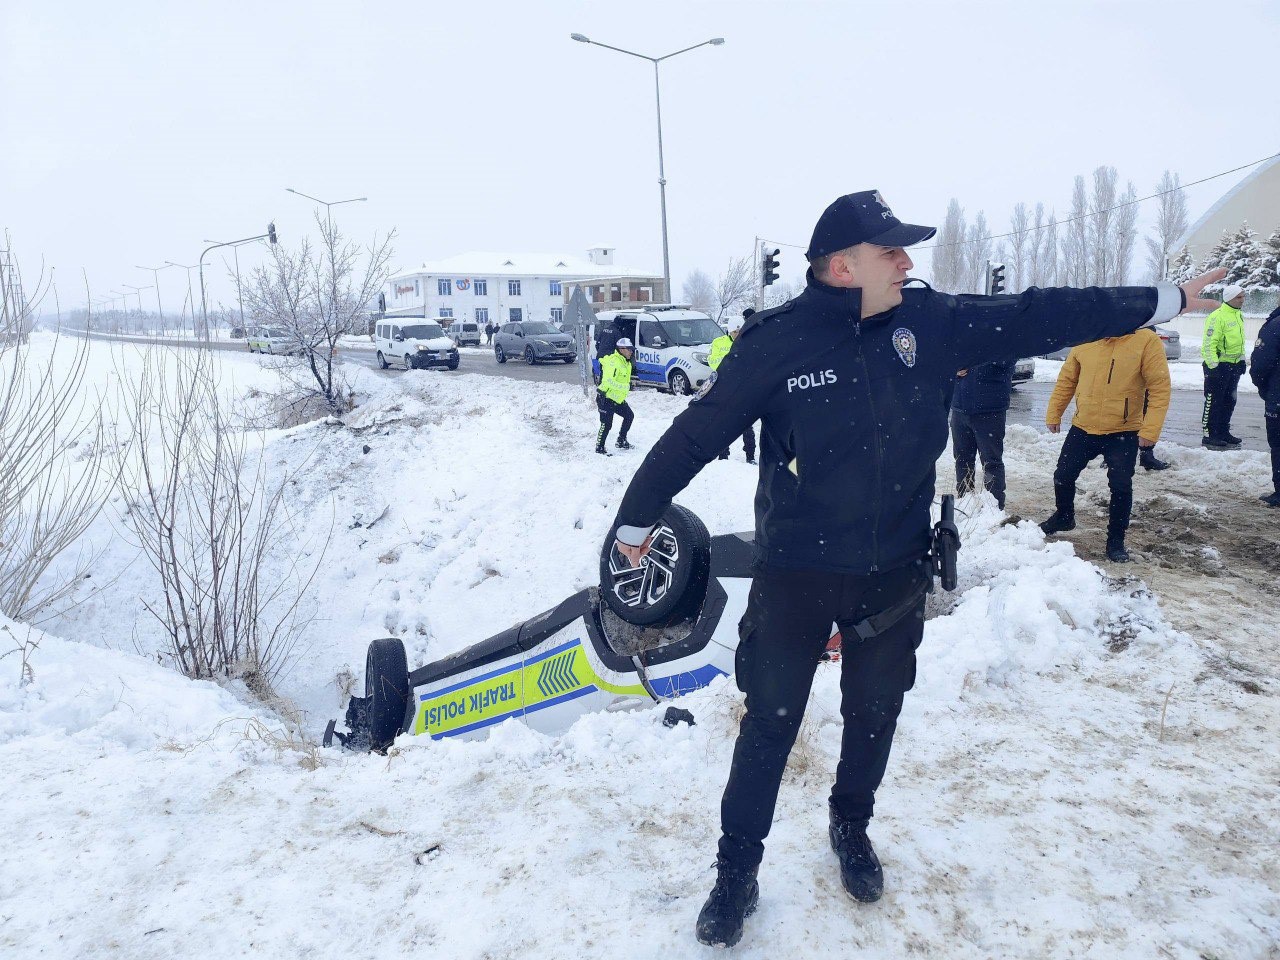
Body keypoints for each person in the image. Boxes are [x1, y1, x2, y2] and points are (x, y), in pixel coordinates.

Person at [605, 189, 1223, 949]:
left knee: (875, 715)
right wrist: (635, 520)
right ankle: (736, 872)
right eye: (889, 250)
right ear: (842, 266)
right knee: (768, 724)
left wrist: (1161, 299)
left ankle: (850, 824)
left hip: (893, 573)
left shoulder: (930, 323)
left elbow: (1041, 313)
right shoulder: (777, 342)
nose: (906, 262)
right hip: (796, 575)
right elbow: (696, 434)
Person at [1039, 329, 1172, 562]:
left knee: (1120, 487)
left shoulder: (1145, 341)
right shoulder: (1086, 336)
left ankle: (1116, 541)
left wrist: (1150, 430)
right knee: (1063, 476)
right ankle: (1064, 516)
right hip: (1083, 426)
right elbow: (1067, 380)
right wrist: (1054, 413)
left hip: (1123, 430)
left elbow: (1159, 388)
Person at [949, 358, 1015, 508]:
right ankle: (965, 503)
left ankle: (994, 508)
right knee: (962, 459)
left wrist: (975, 360)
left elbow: (1008, 359)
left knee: (991, 462)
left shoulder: (1000, 341)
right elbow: (948, 356)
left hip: (990, 409)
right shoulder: (963, 341)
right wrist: (953, 367)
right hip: (960, 407)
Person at [1201, 283, 1247, 450]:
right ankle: (1209, 434)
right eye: (1239, 297)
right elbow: (1208, 344)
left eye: (1243, 296)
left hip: (1233, 366)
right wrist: (1213, 367)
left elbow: (1239, 342)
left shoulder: (1238, 315)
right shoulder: (1217, 317)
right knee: (1214, 401)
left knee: (1229, 401)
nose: (1242, 300)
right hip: (1219, 367)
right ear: (1229, 298)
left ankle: (1223, 431)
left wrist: (1241, 360)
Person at [713, 311, 757, 464]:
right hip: (724, 389)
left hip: (743, 390)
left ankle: (750, 456)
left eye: (739, 331)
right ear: (729, 331)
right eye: (734, 331)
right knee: (724, 424)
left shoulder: (749, 341)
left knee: (747, 426)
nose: (737, 334)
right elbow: (713, 361)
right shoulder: (719, 343)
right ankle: (723, 454)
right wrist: (731, 362)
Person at [1249, 303, 1280, 507]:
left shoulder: (1275, 325)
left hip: (1278, 398)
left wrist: (1265, 388)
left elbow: (1261, 365)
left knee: (1278, 445)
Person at [595, 337, 635, 456]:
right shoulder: (613, 362)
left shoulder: (626, 362)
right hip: (606, 398)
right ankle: (599, 447)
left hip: (617, 399)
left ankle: (621, 440)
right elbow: (608, 381)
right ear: (621, 349)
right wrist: (625, 387)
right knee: (606, 424)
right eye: (629, 349)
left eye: (632, 349)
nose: (631, 352)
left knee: (629, 415)